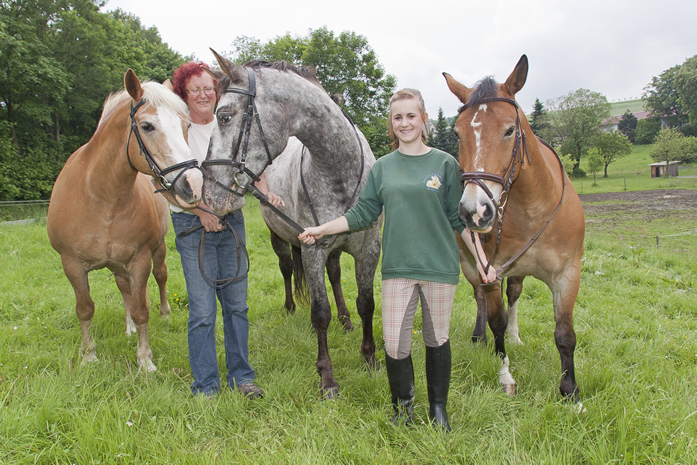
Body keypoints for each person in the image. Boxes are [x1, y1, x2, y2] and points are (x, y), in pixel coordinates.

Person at [299, 88, 495, 431]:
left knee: (438, 339)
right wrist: (321, 228)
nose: (405, 123)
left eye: (411, 116)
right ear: (392, 124)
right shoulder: (383, 168)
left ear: (424, 120)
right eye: (398, 117)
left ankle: (438, 410)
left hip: (438, 268)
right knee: (395, 341)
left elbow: (457, 218)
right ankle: (402, 409)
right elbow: (362, 213)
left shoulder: (445, 164)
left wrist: (482, 261)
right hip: (397, 271)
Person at [169, 61, 283, 398]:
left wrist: (265, 189)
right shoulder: (179, 131)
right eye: (195, 89)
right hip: (192, 226)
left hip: (232, 221)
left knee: (237, 306)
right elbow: (164, 182)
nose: (204, 94)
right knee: (203, 311)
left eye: (208, 88)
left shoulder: (228, 121)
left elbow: (249, 160)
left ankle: (241, 377)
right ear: (183, 94)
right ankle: (205, 385)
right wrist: (201, 210)